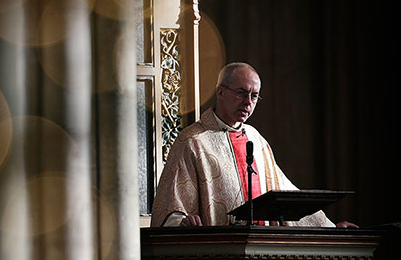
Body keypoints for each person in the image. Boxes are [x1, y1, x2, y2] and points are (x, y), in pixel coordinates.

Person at [150, 62, 357, 228]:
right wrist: (182, 222)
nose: (248, 101)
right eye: (241, 93)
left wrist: (330, 227)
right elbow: (170, 205)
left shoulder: (256, 140)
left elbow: (285, 196)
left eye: (254, 96)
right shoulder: (193, 141)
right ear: (220, 92)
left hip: (262, 250)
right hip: (219, 256)